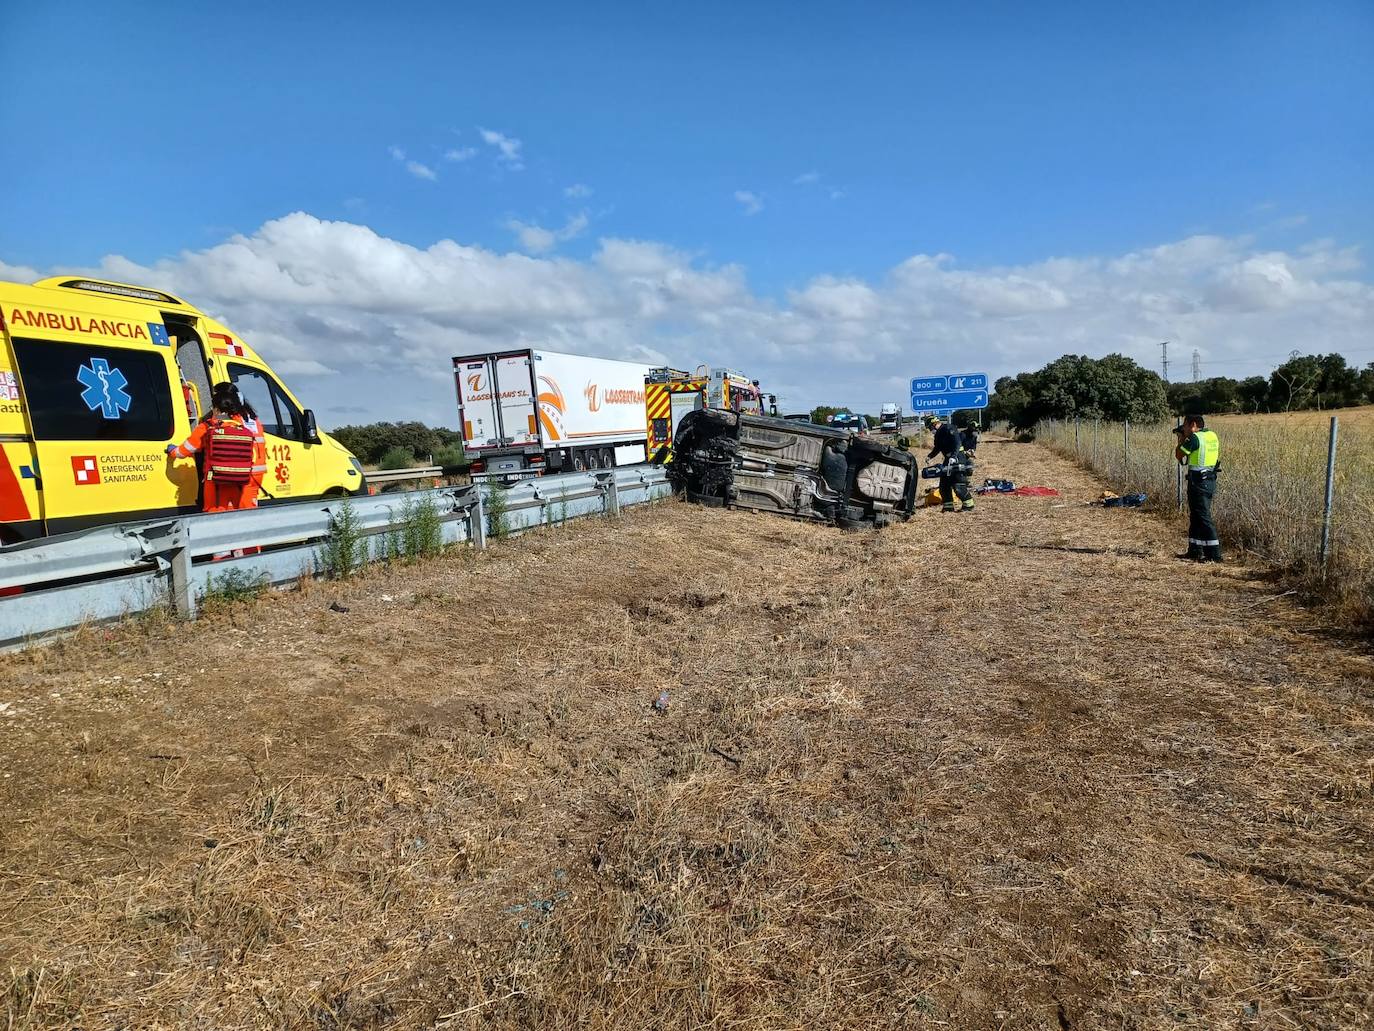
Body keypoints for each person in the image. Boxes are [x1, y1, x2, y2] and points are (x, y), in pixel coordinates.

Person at [166, 382, 267, 513]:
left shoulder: (208, 426)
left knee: (216, 511)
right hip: (248, 476)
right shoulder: (249, 420)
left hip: (217, 479)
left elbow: (184, 451)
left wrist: (172, 450)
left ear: (217, 408)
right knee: (246, 512)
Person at [1174, 414, 1222, 562]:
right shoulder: (1212, 435)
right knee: (1196, 516)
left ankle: (1214, 555)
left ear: (1193, 425)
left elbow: (1179, 455)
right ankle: (1195, 550)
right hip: (1209, 479)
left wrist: (1181, 439)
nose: (1185, 429)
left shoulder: (1195, 438)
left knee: (1203, 516)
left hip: (1198, 482)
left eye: (1186, 426)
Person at [926, 415, 974, 512]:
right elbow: (937, 448)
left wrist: (954, 456)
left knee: (958, 485)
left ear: (935, 424)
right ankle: (948, 507)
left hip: (957, 457)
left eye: (931, 427)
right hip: (948, 459)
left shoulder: (949, 428)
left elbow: (957, 443)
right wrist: (930, 456)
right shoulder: (938, 434)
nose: (931, 430)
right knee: (944, 485)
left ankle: (968, 505)